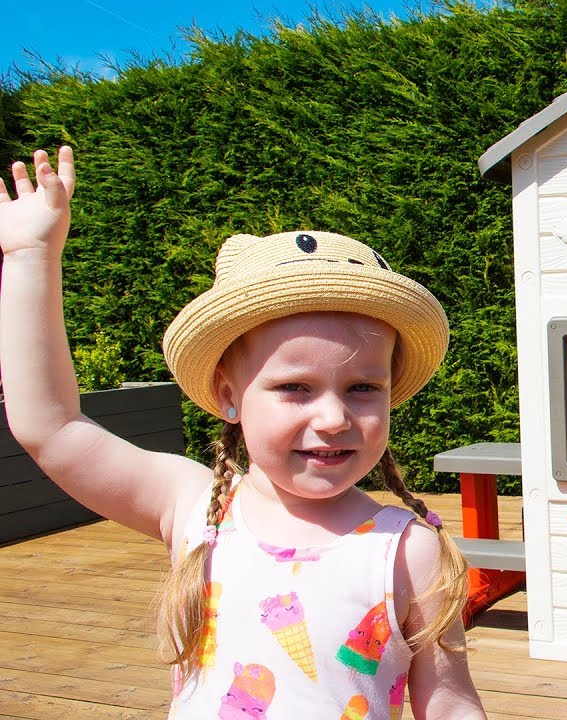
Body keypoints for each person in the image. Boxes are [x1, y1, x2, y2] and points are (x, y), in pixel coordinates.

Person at [0, 147, 487, 718]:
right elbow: (52, 429)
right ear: (230, 396)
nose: (333, 418)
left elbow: (451, 705)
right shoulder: (193, 506)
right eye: (295, 388)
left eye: (362, 388)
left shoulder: (409, 551)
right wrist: (32, 255)